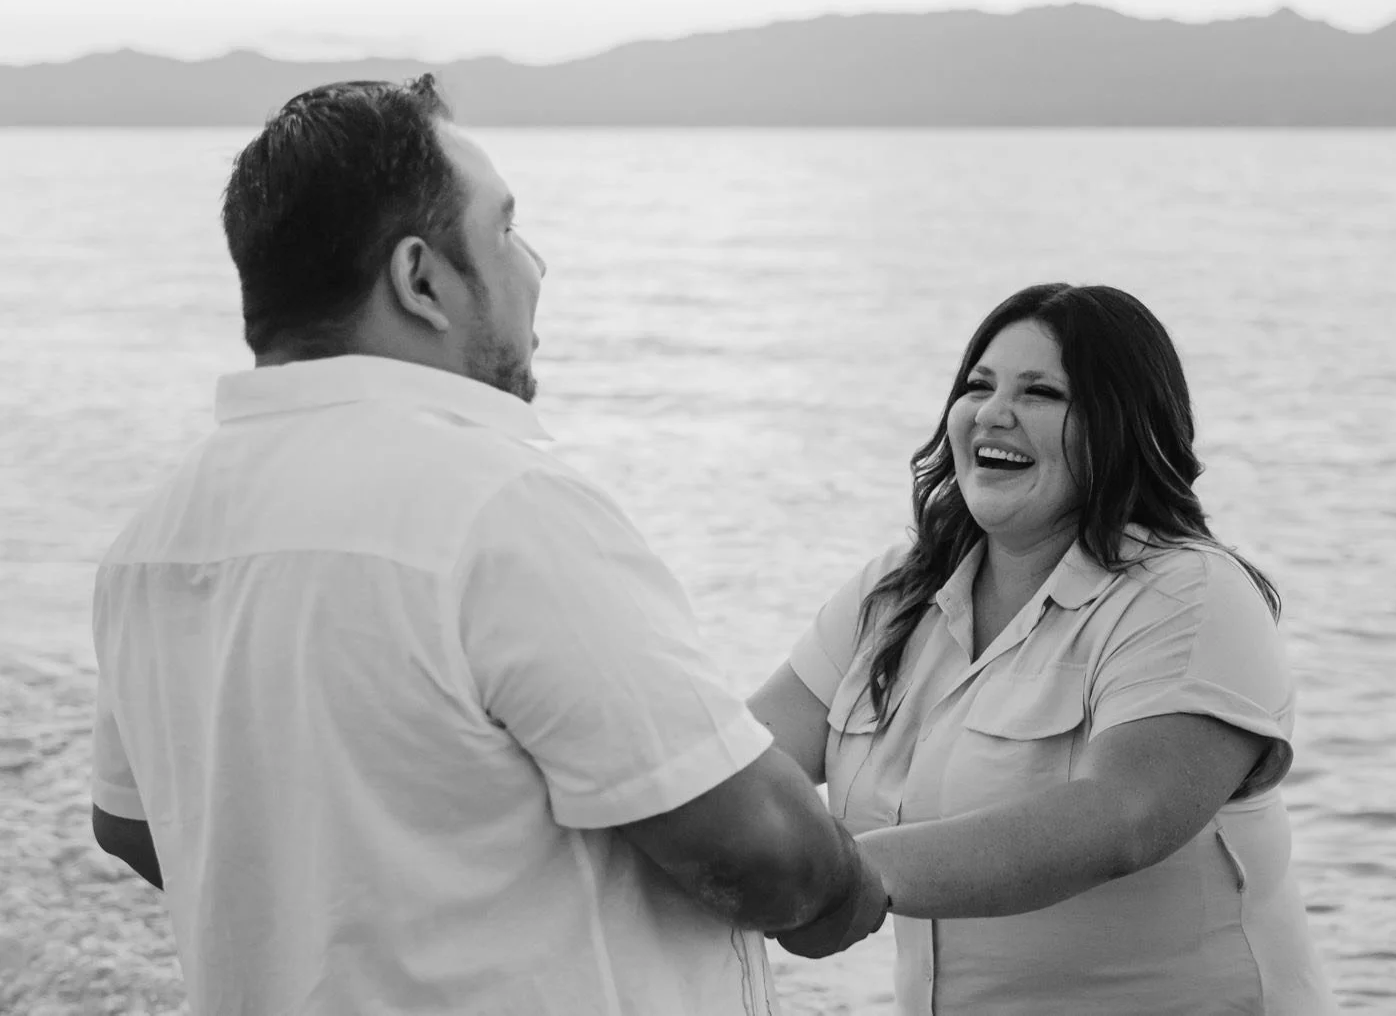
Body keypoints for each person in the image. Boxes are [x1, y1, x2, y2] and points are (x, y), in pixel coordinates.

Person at [90, 76, 885, 1016]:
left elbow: (138, 827)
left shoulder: (150, 539)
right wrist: (851, 890)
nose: (536, 266)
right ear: (420, 280)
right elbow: (766, 856)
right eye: (506, 230)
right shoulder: (499, 507)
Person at [750, 283, 1336, 1015]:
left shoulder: (1193, 594)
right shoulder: (894, 591)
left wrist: (851, 878)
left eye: (1041, 392)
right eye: (978, 386)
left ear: (1120, 427)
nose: (993, 413)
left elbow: (1121, 817)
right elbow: (741, 761)